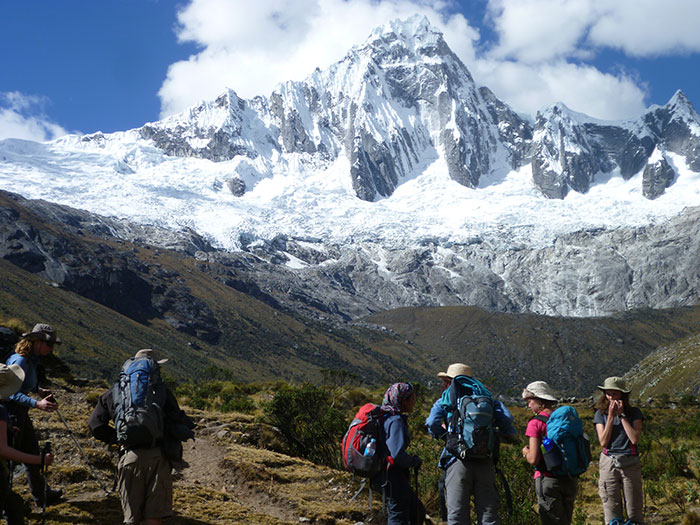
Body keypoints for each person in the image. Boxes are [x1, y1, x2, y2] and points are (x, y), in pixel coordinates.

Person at [88, 348, 194, 525]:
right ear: (154, 368)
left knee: (131, 518)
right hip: (158, 456)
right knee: (154, 516)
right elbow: (175, 422)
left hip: (129, 456)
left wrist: (119, 438)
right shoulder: (161, 392)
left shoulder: (113, 393)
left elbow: (95, 425)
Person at [425, 363, 518, 525]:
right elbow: (508, 419)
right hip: (485, 460)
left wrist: (446, 437)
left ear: (449, 382)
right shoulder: (487, 400)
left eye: (444, 382)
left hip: (457, 460)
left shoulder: (445, 400)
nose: (442, 385)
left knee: (457, 515)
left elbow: (432, 422)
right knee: (488, 514)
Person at [4, 324, 62, 507]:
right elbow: (10, 393)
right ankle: (8, 503)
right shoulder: (20, 360)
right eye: (49, 344)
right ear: (37, 341)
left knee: (31, 451)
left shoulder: (32, 360)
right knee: (9, 459)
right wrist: (37, 403)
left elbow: (23, 385)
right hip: (10, 414)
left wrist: (38, 390)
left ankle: (41, 494)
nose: (51, 349)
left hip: (20, 412)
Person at [0, 363, 55, 524]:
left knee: (14, 506)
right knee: (13, 506)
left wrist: (7, 429)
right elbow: (2, 449)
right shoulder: (1, 410)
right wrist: (39, 460)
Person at [521, 381, 578, 525]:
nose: (529, 405)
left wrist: (526, 452)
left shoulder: (535, 423)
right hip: (569, 479)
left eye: (530, 401)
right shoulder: (564, 420)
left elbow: (533, 459)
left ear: (539, 401)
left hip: (547, 479)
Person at [370, 382, 425, 525]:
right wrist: (414, 462)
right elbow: (397, 455)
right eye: (412, 398)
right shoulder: (395, 421)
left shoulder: (384, 417)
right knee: (398, 515)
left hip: (381, 474)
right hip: (392, 476)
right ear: (403, 400)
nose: (414, 402)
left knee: (416, 509)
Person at [594, 377, 644, 525]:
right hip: (608, 462)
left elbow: (634, 438)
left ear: (622, 395)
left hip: (629, 461)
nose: (611, 397)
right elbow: (603, 441)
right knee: (611, 509)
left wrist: (622, 416)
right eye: (608, 394)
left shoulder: (634, 413)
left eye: (614, 394)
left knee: (634, 509)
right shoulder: (600, 414)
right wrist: (610, 417)